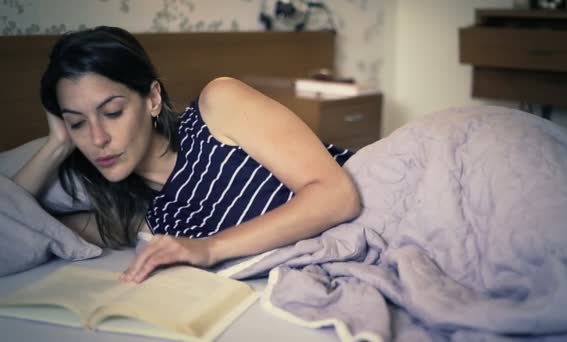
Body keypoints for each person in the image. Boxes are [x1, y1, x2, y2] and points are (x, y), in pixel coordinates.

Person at [13, 26, 361, 283]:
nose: (98, 138)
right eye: (77, 123)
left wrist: (208, 248)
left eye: (113, 112)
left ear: (152, 99)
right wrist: (55, 145)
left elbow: (337, 196)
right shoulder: (144, 218)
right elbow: (14, 228)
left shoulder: (218, 108)